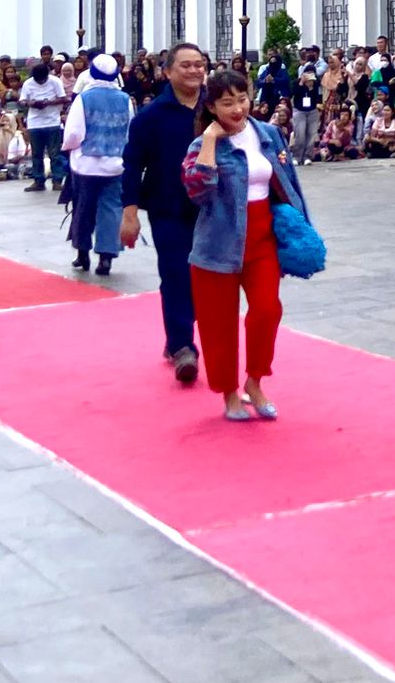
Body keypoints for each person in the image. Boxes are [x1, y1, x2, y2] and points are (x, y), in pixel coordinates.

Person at [181, 67, 310, 422]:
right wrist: (209, 140)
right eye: (227, 103)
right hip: (217, 245)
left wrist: (304, 228)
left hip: (263, 239)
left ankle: (255, 381)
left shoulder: (267, 134)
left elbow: (289, 183)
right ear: (211, 107)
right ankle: (229, 394)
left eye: (242, 99)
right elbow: (197, 191)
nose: (238, 109)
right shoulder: (201, 144)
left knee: (267, 310)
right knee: (218, 324)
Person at [121, 44, 206, 384]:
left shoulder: (216, 108)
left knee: (206, 278)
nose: (194, 71)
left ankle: (176, 338)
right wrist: (129, 214)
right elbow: (131, 166)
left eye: (199, 65)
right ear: (167, 72)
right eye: (186, 65)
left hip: (211, 210)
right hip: (167, 208)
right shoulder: (150, 117)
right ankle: (183, 345)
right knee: (175, 275)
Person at [62, 54, 134, 275]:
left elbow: (74, 132)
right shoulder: (125, 100)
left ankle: (82, 252)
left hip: (86, 164)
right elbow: (130, 130)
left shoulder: (84, 98)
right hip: (115, 164)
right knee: (111, 209)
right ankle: (106, 257)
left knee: (83, 208)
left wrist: (68, 148)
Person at [289, 64, 322, 165]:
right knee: (300, 134)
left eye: (312, 74)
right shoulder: (296, 82)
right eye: (307, 73)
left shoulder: (316, 84)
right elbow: (293, 94)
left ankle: (307, 156)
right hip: (299, 111)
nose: (309, 76)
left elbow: (316, 98)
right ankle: (297, 156)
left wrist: (311, 87)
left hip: (312, 111)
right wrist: (302, 83)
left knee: (311, 134)